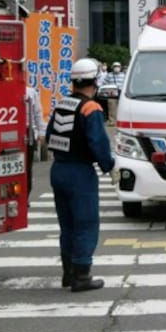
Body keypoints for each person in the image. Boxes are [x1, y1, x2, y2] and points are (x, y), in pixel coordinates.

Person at [45, 58, 115, 292]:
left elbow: (48, 136)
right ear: (95, 81)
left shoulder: (62, 104)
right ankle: (82, 275)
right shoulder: (91, 108)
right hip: (79, 172)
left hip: (59, 170)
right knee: (85, 223)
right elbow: (99, 143)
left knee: (68, 225)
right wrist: (109, 166)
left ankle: (68, 273)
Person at [25, 86, 47, 199]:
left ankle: (26, 197)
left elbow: (38, 112)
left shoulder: (30, 92)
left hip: (27, 131)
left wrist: (41, 132)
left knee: (27, 168)